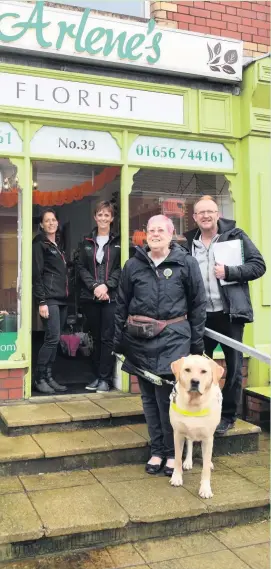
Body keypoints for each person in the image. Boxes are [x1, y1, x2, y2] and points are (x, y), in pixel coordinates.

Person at [113, 214, 206, 476]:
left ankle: (171, 453)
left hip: (174, 340)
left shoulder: (186, 263)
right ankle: (156, 450)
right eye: (151, 230)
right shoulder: (133, 265)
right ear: (145, 234)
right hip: (139, 340)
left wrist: (196, 345)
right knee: (148, 399)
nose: (155, 234)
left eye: (160, 230)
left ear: (171, 232)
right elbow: (121, 303)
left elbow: (198, 304)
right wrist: (118, 340)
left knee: (168, 399)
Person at [184, 195, 266, 435]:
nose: (206, 216)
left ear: (217, 213)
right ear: (195, 217)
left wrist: (229, 272)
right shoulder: (188, 243)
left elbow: (258, 265)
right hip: (201, 315)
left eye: (210, 211)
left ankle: (228, 416)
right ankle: (204, 411)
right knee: (201, 367)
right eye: (201, 212)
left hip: (230, 313)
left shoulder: (235, 236)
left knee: (233, 366)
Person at [77, 200, 121, 393]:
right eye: (100, 214)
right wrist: (95, 286)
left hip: (111, 297)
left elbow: (121, 268)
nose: (103, 218)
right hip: (90, 296)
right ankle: (97, 376)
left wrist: (107, 286)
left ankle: (105, 379)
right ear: (95, 217)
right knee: (94, 338)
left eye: (107, 215)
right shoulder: (86, 241)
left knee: (107, 338)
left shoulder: (118, 242)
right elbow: (81, 267)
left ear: (112, 218)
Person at [32, 208, 68, 394]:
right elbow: (37, 275)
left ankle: (48, 376)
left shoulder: (57, 244)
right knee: (51, 338)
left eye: (54, 220)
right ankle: (39, 378)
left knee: (55, 338)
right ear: (41, 224)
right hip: (49, 298)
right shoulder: (39, 243)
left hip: (61, 298)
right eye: (47, 220)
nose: (51, 223)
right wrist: (42, 301)